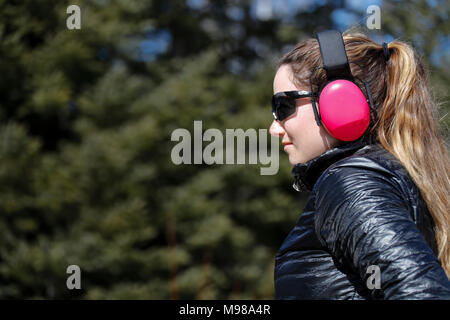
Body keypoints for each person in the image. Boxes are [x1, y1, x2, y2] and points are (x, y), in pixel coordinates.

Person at [269, 30, 450, 299]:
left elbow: (424, 293)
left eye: (283, 107)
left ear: (338, 102)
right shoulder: (384, 175)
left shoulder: (350, 182)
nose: (274, 129)